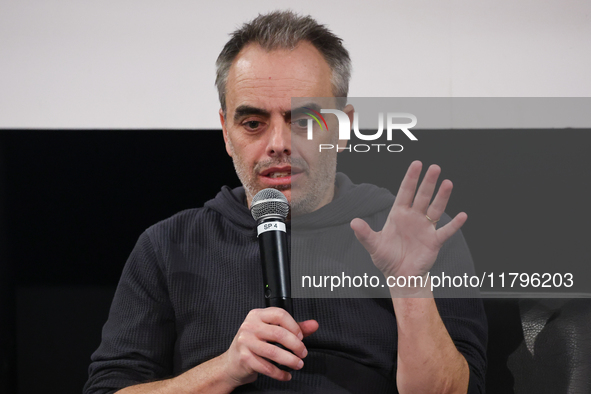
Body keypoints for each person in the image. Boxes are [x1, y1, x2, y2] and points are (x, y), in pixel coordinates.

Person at [84, 10, 487, 394]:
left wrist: (408, 284)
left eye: (304, 122)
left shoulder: (414, 237)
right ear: (226, 131)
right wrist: (225, 369)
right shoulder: (169, 246)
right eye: (254, 123)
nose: (278, 145)